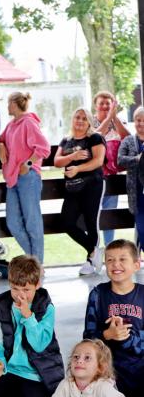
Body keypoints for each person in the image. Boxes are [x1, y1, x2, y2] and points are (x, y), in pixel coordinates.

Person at [0, 255, 63, 397]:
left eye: (26, 290)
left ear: (37, 285)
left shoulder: (47, 309)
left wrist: (28, 317)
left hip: (34, 374)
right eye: (15, 289)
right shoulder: (3, 307)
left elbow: (39, 345)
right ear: (9, 284)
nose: (20, 296)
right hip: (9, 369)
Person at [83, 239, 144, 397]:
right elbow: (87, 340)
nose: (115, 264)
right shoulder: (97, 294)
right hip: (111, 372)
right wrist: (107, 334)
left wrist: (126, 337)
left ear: (136, 265)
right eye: (110, 260)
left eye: (122, 259)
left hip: (141, 369)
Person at [53, 108, 106, 276]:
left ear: (89, 122)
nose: (80, 121)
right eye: (77, 117)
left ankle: (90, 262)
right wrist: (72, 157)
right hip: (72, 188)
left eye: (84, 118)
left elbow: (98, 161)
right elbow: (57, 162)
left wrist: (78, 168)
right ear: (73, 119)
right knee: (66, 222)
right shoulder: (66, 140)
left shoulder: (95, 138)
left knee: (91, 222)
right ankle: (94, 250)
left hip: (92, 185)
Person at [0, 92, 49, 262]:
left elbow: (44, 148)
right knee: (13, 222)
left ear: (14, 104)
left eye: (8, 103)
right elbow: (0, 138)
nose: (7, 106)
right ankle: (35, 262)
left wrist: (27, 164)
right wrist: (1, 145)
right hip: (12, 179)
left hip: (28, 177)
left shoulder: (28, 122)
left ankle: (37, 267)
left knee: (32, 222)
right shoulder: (11, 124)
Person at [92, 91, 130, 246]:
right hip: (94, 176)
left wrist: (115, 118)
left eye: (108, 103)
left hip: (113, 176)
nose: (105, 106)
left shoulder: (118, 121)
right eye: (101, 103)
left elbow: (128, 138)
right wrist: (108, 119)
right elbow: (93, 137)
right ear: (95, 105)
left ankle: (109, 247)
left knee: (110, 213)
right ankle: (94, 248)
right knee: (93, 213)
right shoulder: (90, 121)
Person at [119, 106, 144, 250]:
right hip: (136, 192)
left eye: (143, 120)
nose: (141, 123)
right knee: (141, 227)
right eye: (138, 120)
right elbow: (120, 160)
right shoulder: (128, 141)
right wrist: (136, 159)